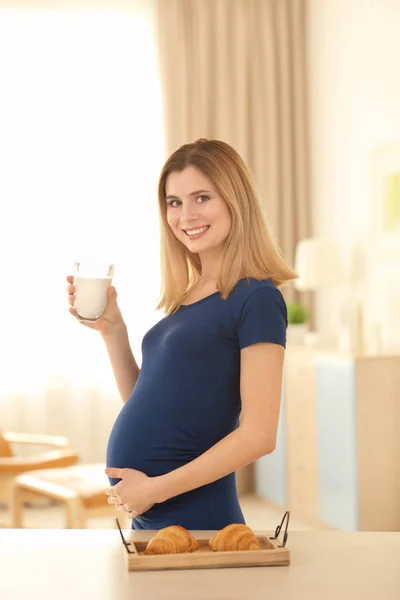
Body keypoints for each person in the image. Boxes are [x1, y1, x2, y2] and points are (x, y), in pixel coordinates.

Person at [66, 138, 297, 530]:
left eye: (202, 197)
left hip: (196, 515)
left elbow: (259, 435)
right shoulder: (188, 296)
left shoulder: (257, 297)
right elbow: (153, 403)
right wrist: (113, 332)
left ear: (235, 200)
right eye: (174, 202)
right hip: (155, 513)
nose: (186, 215)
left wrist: (155, 490)